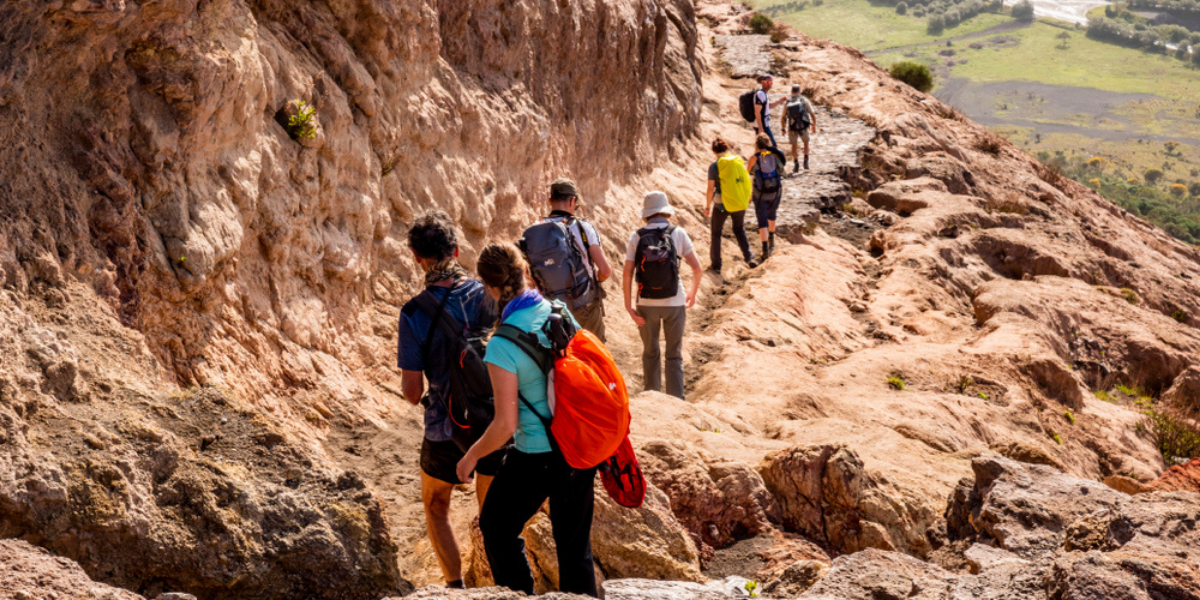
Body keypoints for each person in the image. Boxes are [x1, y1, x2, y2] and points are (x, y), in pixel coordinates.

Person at [457, 243, 599, 597]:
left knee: (497, 527)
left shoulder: (502, 344)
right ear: (523, 271)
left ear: (489, 287)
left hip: (537, 453)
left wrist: (471, 455)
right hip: (578, 445)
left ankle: (517, 595)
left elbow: (505, 425)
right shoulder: (558, 309)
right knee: (574, 548)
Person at [397, 211, 504, 590]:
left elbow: (412, 393)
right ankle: (500, 587)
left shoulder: (413, 313)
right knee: (493, 516)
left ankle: (455, 588)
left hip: (446, 426)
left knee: (436, 505)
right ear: (457, 250)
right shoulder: (488, 295)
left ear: (415, 257)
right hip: (495, 422)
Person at [622, 191, 703, 400]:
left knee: (650, 352)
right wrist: (692, 294)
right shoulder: (678, 233)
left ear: (646, 213)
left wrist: (628, 305)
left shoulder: (637, 236)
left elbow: (627, 272)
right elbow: (697, 268)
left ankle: (652, 397)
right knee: (674, 354)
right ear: (666, 211)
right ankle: (676, 400)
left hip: (645, 304)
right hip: (675, 302)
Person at [520, 178, 612, 341]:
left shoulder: (533, 233)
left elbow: (528, 278)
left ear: (550, 201)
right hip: (585, 306)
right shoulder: (584, 228)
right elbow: (605, 271)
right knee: (594, 356)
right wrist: (598, 278)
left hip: (553, 310)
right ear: (573, 201)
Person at [705, 137, 757, 272]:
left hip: (721, 204)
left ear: (713, 151)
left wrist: (707, 206)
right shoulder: (737, 162)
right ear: (727, 148)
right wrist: (747, 196)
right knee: (739, 229)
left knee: (716, 233)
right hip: (738, 200)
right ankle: (750, 257)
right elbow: (745, 179)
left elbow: (710, 189)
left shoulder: (714, 166)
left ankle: (716, 266)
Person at [747, 134, 787, 261]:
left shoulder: (754, 158)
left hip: (760, 192)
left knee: (761, 218)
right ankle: (771, 239)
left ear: (756, 145)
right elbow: (783, 168)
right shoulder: (775, 155)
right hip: (775, 191)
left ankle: (764, 250)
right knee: (772, 213)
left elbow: (747, 173)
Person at [780, 83, 819, 173]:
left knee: (794, 146)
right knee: (806, 143)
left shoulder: (787, 102)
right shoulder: (804, 100)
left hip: (792, 127)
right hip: (803, 126)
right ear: (799, 91)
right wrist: (814, 125)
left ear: (791, 92)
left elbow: (783, 117)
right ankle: (805, 161)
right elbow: (812, 114)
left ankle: (796, 163)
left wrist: (783, 129)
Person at [754, 74, 778, 149]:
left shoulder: (764, 94)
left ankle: (760, 160)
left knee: (762, 148)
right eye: (768, 82)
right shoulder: (760, 94)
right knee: (773, 147)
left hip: (764, 125)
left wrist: (780, 101)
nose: (769, 85)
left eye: (771, 83)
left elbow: (768, 106)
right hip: (762, 126)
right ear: (762, 82)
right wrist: (760, 128)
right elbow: (757, 111)